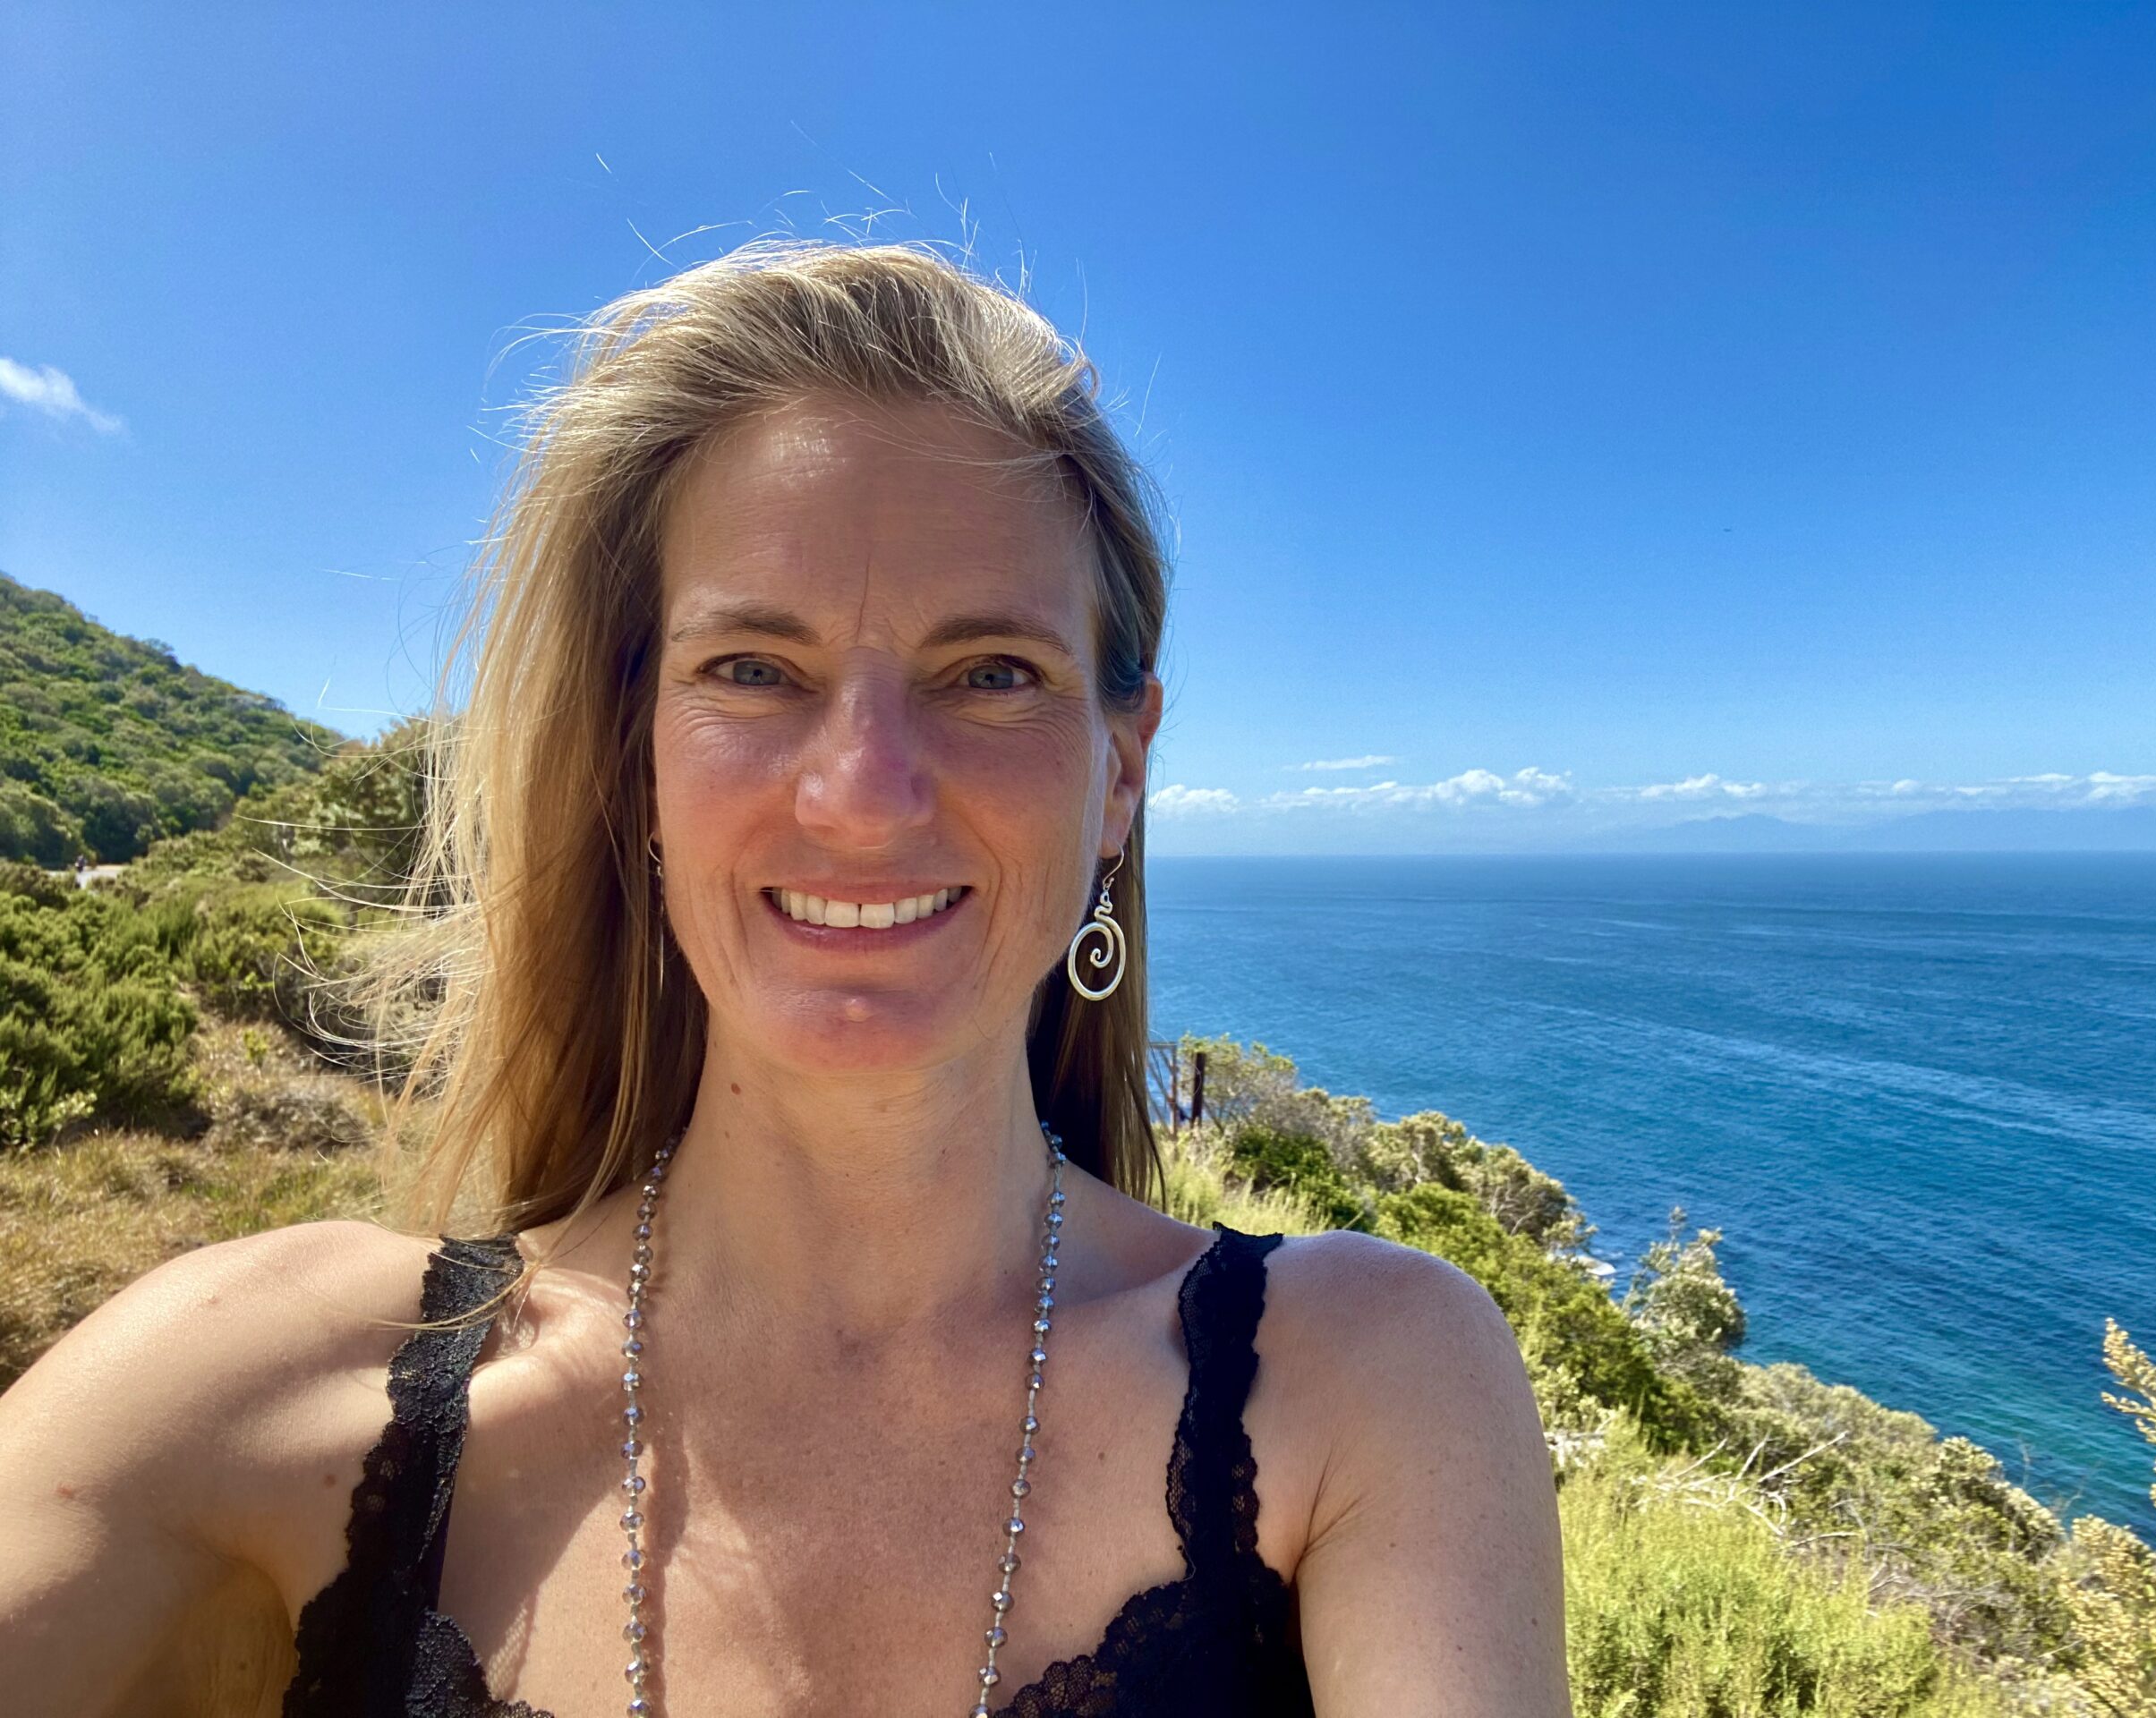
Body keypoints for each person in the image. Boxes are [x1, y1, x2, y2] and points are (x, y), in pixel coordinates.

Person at [0, 240, 1569, 1715]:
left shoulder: (1361, 1384)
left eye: (993, 674)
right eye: (753, 669)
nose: (864, 792)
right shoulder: (251, 1390)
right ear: (638, 753)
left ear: (1122, 773)